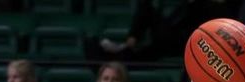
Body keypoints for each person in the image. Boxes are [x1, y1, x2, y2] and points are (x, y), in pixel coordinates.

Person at [92, 0, 236, 62]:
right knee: (146, 7)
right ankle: (129, 45)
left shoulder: (221, 6)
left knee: (152, 49)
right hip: (174, 36)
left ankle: (124, 52)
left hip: (195, 43)